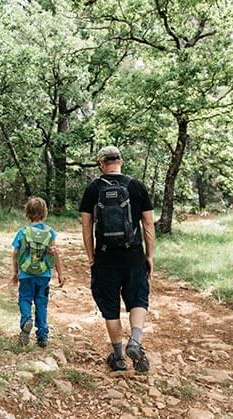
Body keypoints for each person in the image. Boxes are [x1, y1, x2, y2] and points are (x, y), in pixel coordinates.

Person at [79, 146, 156, 372]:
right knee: (138, 299)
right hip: (133, 255)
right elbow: (148, 225)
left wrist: (92, 257)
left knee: (111, 308)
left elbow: (86, 227)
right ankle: (136, 340)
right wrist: (149, 256)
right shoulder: (136, 186)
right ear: (120, 161)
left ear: (101, 164)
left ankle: (119, 357)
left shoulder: (93, 189)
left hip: (105, 257)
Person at [11, 197, 65, 347]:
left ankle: (26, 321)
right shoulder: (50, 232)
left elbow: (15, 253)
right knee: (41, 304)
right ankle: (42, 336)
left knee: (25, 299)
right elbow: (54, 253)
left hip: (26, 275)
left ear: (27, 213)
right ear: (44, 213)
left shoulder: (23, 232)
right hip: (44, 275)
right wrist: (60, 273)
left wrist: (15, 272)